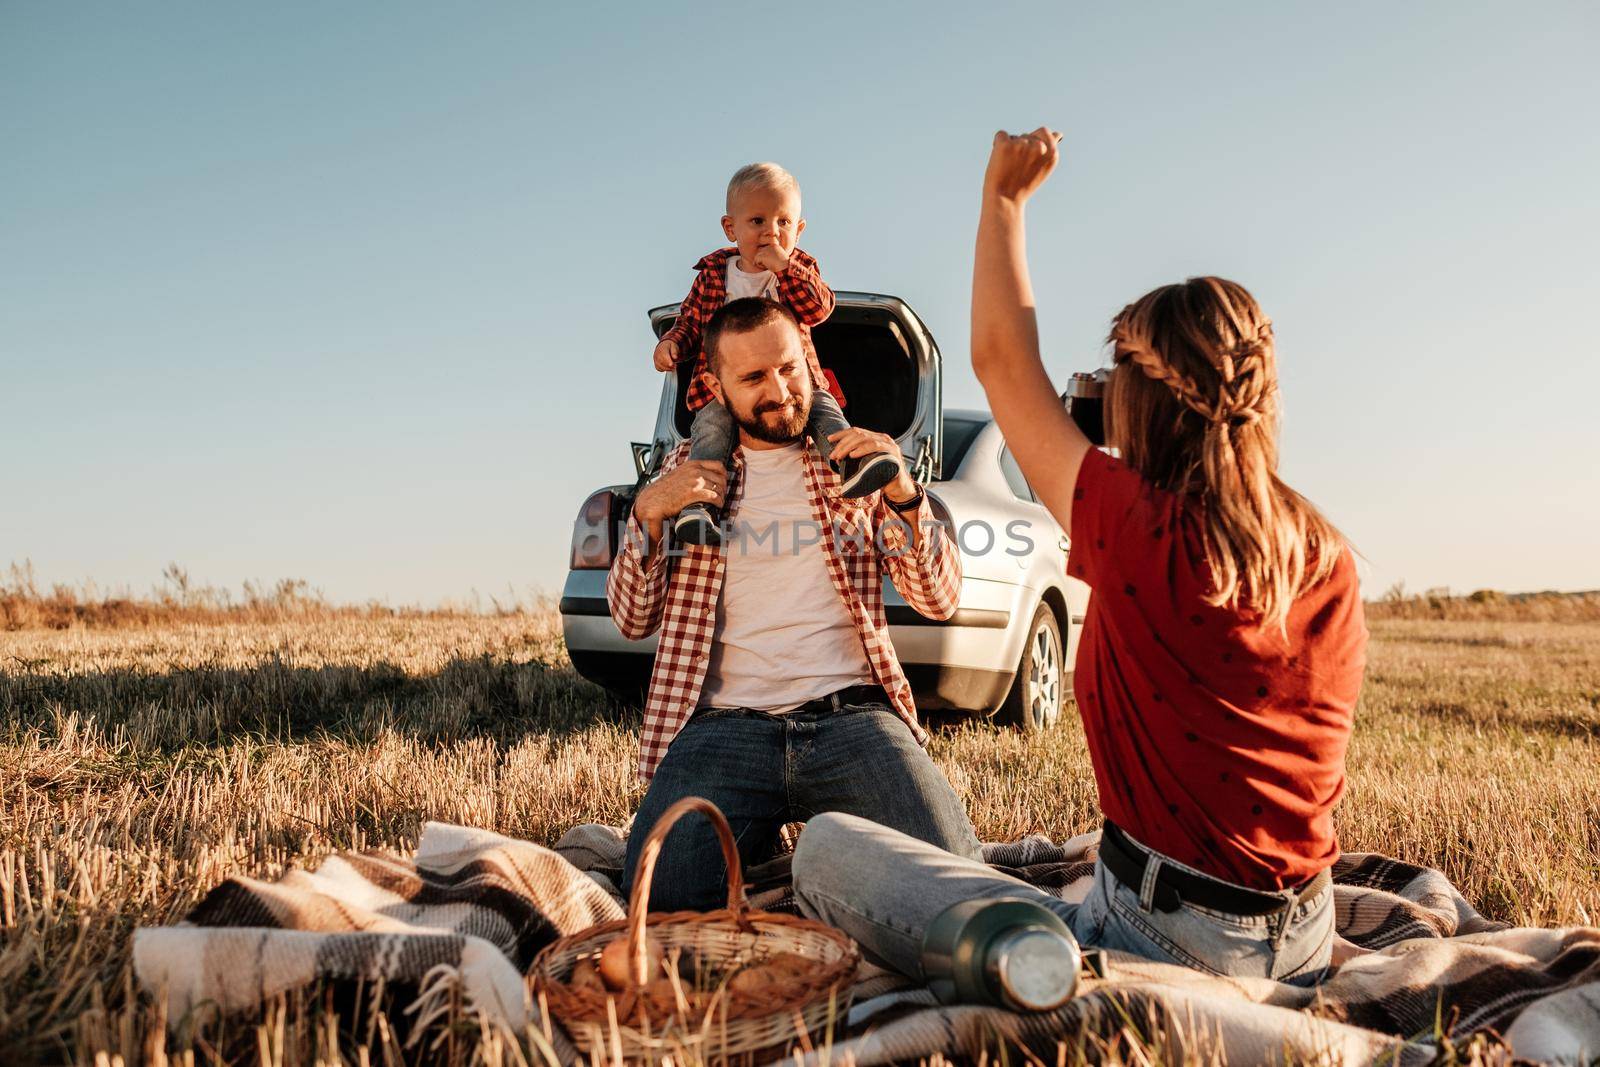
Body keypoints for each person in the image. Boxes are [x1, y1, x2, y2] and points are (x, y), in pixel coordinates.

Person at [792, 128, 1368, 986]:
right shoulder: (1326, 551)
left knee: (828, 852)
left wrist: (1003, 200)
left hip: (1166, 932)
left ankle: (1067, 979)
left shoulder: (1142, 531)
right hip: (1304, 930)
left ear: (1141, 397)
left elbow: (1000, 359)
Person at [609, 296, 983, 912]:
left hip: (853, 720)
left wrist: (906, 496)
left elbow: (938, 600)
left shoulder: (854, 461)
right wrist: (649, 513)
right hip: (722, 729)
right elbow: (631, 619)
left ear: (808, 362)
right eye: (753, 378)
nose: (779, 390)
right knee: (659, 906)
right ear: (718, 390)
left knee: (961, 888)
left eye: (788, 368)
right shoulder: (686, 472)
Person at [652, 163, 901, 546]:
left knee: (824, 410)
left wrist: (784, 267)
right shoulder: (713, 276)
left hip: (800, 380)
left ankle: (852, 465)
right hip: (726, 391)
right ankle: (700, 506)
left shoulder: (799, 269)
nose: (771, 232)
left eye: (784, 222)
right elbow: (690, 322)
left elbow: (819, 309)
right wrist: (671, 343)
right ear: (731, 229)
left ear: (799, 231)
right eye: (757, 220)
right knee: (710, 431)